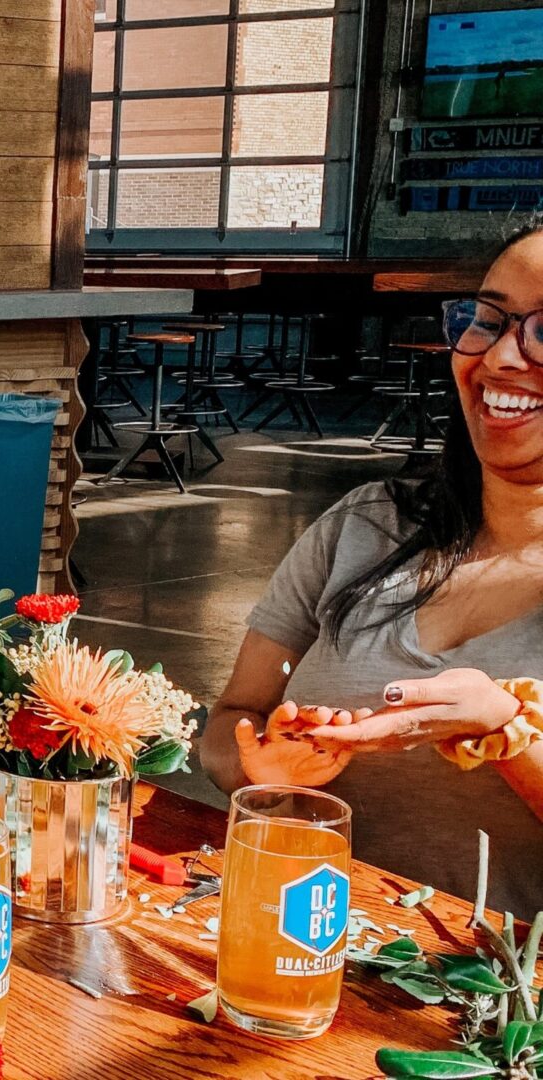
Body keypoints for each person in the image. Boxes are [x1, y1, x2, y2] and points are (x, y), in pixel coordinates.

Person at [203, 226, 543, 914]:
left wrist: (506, 731)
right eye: (487, 321)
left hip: (494, 1006)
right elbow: (231, 719)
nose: (502, 357)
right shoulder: (369, 523)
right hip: (300, 954)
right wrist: (257, 768)